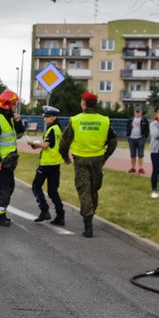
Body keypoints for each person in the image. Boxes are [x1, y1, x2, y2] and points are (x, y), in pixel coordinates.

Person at [59, 92, 117, 238]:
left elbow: (64, 142)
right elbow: (113, 141)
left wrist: (65, 157)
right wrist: (106, 156)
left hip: (81, 160)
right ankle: (90, 213)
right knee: (93, 189)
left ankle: (88, 224)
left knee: (84, 189)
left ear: (83, 103)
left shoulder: (76, 120)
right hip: (97, 160)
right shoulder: (104, 121)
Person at [0, 90, 25, 227]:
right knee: (3, 188)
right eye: (14, 104)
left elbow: (19, 135)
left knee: (8, 187)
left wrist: (18, 122)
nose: (15, 107)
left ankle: (1, 213)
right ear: (7, 105)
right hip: (2, 162)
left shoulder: (9, 119)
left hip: (9, 162)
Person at [29, 105, 65, 226]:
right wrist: (36, 146)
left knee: (36, 186)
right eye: (45, 116)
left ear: (54, 117)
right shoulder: (58, 129)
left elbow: (46, 145)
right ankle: (60, 215)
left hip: (47, 163)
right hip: (55, 163)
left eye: (48, 116)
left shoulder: (52, 129)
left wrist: (34, 143)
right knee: (52, 191)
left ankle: (44, 210)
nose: (45, 118)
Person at [126, 106, 149, 174]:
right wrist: (128, 136)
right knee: (132, 154)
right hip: (132, 138)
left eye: (139, 112)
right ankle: (133, 168)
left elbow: (147, 129)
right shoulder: (130, 120)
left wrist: (145, 137)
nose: (137, 113)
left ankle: (140, 168)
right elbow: (127, 127)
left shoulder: (144, 120)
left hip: (140, 138)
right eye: (136, 112)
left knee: (140, 154)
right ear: (134, 112)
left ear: (141, 112)